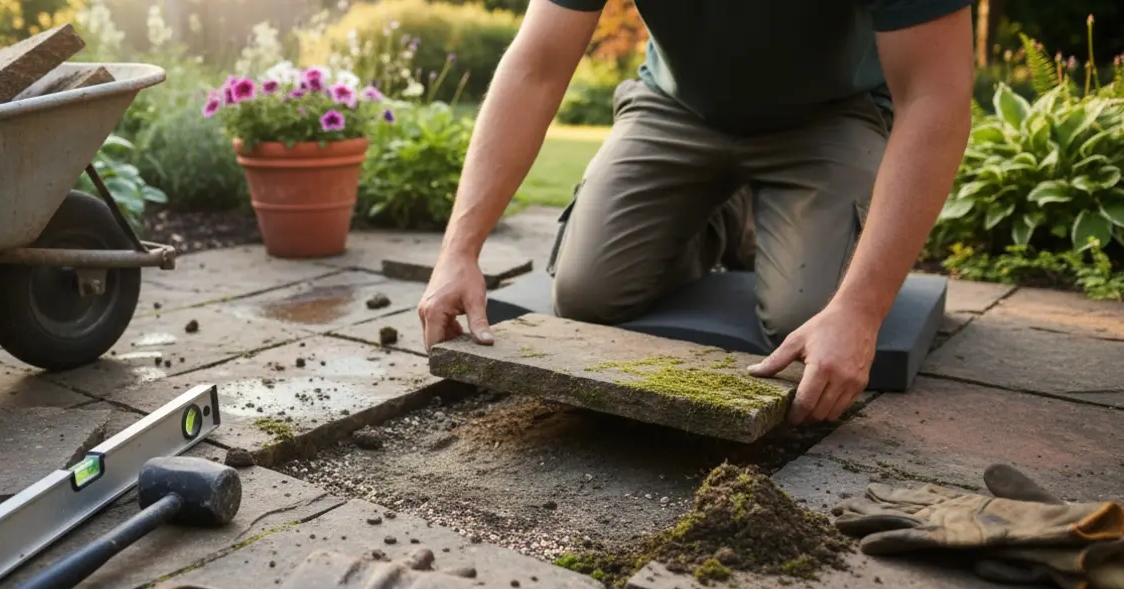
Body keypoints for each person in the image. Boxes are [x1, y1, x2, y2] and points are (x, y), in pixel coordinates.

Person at [416, 0, 975, 425]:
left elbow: (935, 96)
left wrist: (861, 309)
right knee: (588, 293)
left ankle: (790, 214)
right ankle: (730, 210)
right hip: (677, 106)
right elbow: (535, 65)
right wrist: (459, 251)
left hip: (832, 116)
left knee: (804, 322)